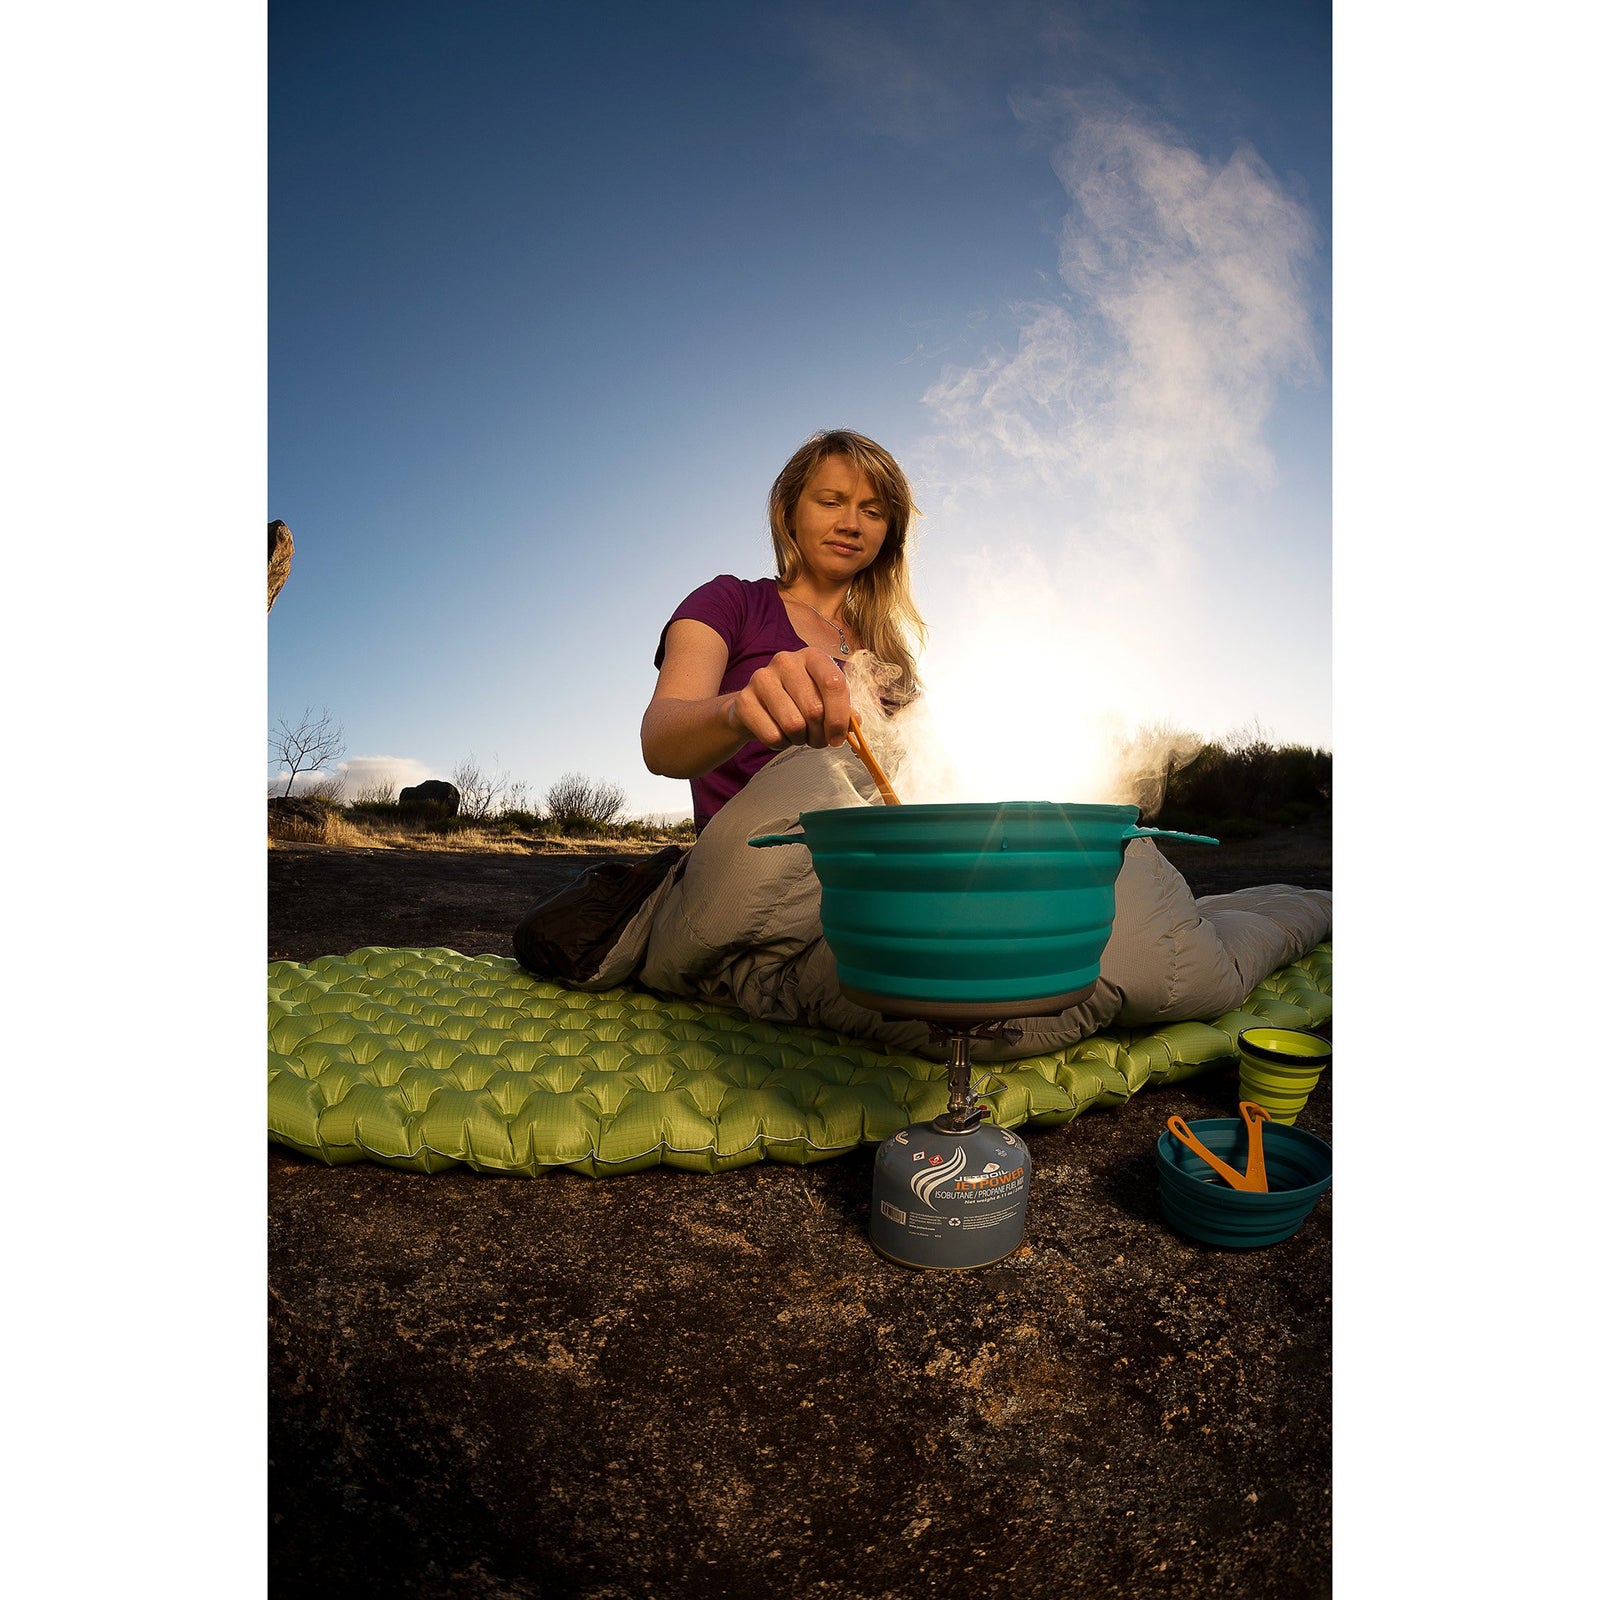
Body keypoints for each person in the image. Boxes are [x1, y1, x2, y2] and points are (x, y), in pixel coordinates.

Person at [641, 429, 926, 833]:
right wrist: (738, 712)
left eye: (873, 512)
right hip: (753, 853)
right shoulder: (730, 602)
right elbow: (660, 744)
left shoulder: (890, 654)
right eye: (831, 502)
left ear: (888, 535)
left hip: (874, 856)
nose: (851, 524)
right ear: (789, 513)